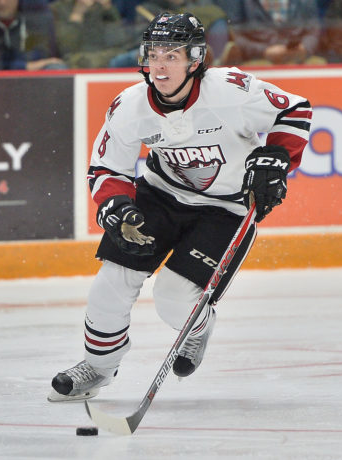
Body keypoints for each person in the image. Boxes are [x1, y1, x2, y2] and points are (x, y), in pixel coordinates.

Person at [48, 12, 312, 401]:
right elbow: (106, 168)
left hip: (228, 209)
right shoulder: (130, 105)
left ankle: (197, 329)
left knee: (173, 299)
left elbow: (294, 109)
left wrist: (276, 159)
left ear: (195, 59)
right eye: (154, 54)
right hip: (161, 192)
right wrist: (117, 207)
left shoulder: (232, 91)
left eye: (171, 55)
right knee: (112, 282)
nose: (159, 64)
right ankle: (99, 367)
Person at [0, 0, 66, 70]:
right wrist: (25, 65)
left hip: (31, 82)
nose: (2, 3)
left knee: (55, 67)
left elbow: (38, 56)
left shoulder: (35, 13)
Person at [50, 0, 127, 69]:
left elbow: (119, 44)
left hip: (107, 59)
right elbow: (66, 49)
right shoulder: (59, 8)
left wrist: (108, 9)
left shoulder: (104, 8)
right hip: (76, 61)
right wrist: (77, 14)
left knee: (133, 57)